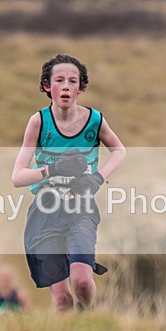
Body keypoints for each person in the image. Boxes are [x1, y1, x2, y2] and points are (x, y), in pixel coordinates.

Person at [12, 53, 126, 312]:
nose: (65, 86)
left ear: (81, 88)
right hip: (46, 211)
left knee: (83, 281)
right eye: (59, 80)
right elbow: (17, 177)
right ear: (46, 86)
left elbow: (119, 151)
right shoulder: (39, 122)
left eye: (72, 81)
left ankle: (88, 316)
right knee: (62, 299)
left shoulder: (94, 121)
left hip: (81, 211)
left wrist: (97, 178)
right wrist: (52, 170)